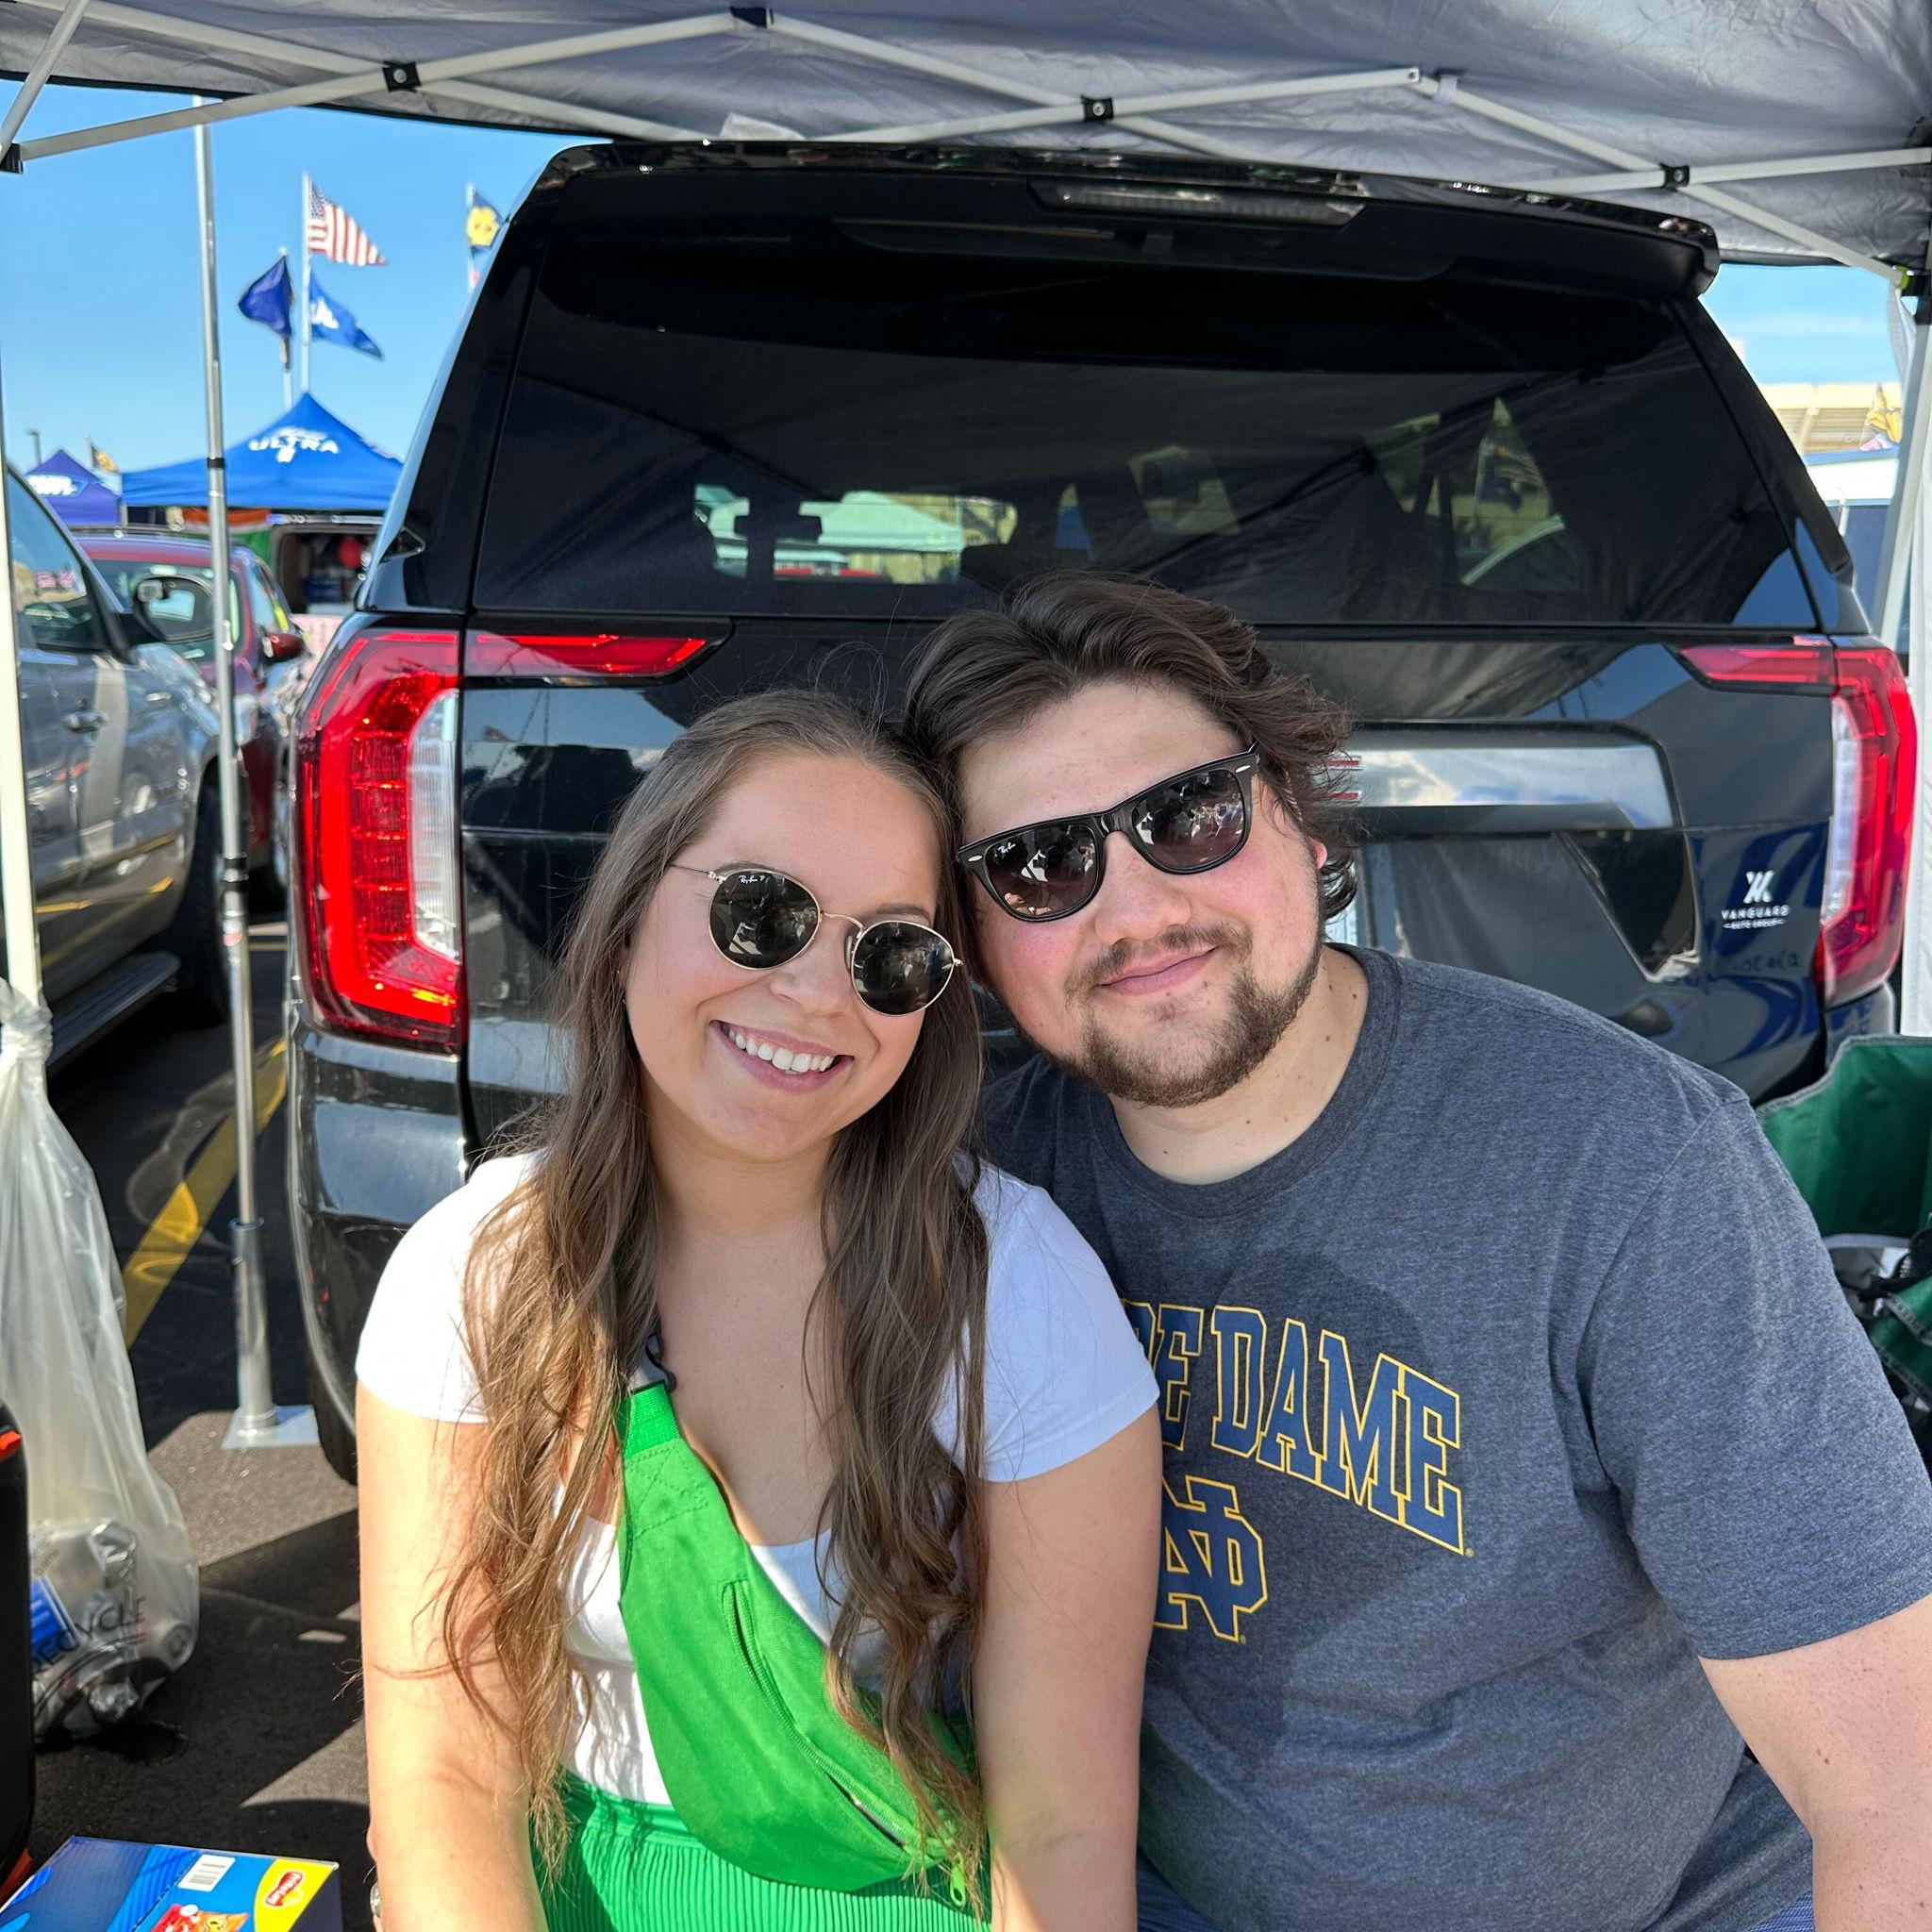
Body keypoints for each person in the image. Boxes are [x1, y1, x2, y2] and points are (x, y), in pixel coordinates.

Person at [904, 575, 1932, 1932]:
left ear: (1298, 811)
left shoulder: (1624, 1164)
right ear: (970, 935)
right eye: (1040, 865)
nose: (1138, 907)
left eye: (1189, 816)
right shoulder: (966, 1191)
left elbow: (1892, 1794)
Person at [357, 691, 1162, 1932]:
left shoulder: (1015, 1289)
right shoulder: (474, 1274)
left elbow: (1064, 1825)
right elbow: (442, 1780)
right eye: (759, 912)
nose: (813, 992)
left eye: (890, 953)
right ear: (627, 923)